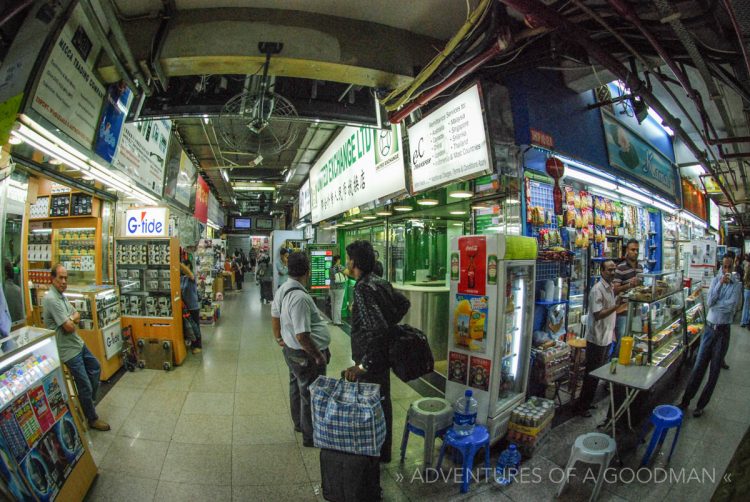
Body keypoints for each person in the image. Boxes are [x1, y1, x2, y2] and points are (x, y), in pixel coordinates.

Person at [343, 240, 410, 463]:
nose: (346, 262)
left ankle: (372, 452)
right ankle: (384, 452)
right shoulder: (380, 281)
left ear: (354, 261)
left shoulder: (362, 287)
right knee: (383, 403)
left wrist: (363, 365)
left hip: (370, 359)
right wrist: (390, 323)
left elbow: (376, 329)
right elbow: (403, 303)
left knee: (371, 407)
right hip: (382, 357)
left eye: (347, 258)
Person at [271, 252, 330, 447]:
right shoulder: (300, 298)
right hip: (305, 354)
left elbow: (275, 315)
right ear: (307, 272)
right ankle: (310, 436)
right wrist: (318, 356)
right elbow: (302, 335)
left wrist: (279, 337)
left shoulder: (283, 289)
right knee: (310, 393)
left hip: (292, 351)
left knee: (296, 387)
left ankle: (299, 424)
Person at [42, 264, 110, 431]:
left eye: (66, 278)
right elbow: (69, 326)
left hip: (77, 343)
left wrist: (71, 319)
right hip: (67, 350)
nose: (64, 281)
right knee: (85, 385)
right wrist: (72, 319)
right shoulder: (51, 298)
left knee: (95, 367)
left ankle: (86, 402)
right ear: (53, 279)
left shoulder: (62, 296)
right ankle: (92, 418)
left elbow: (78, 314)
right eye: (61, 278)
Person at [680, 254, 741, 416]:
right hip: (709, 329)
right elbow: (709, 302)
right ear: (721, 266)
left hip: (723, 331)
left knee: (714, 371)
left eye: (729, 267)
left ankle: (700, 405)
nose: (726, 270)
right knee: (698, 367)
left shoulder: (737, 285)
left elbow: (731, 307)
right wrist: (720, 286)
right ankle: (685, 401)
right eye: (724, 267)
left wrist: (717, 304)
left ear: (734, 266)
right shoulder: (716, 281)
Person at [577, 260, 626, 417]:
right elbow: (598, 314)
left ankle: (588, 402)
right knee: (591, 375)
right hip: (596, 339)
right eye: (609, 270)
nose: (612, 272)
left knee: (597, 373)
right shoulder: (597, 290)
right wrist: (616, 306)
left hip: (606, 337)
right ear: (602, 271)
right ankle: (581, 407)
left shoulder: (610, 288)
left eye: (614, 270)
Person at [612, 239, 642, 349]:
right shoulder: (620, 268)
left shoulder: (640, 267)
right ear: (627, 251)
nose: (635, 252)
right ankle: (615, 364)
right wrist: (629, 284)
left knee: (635, 342)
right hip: (623, 311)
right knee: (621, 343)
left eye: (637, 250)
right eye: (633, 249)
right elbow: (615, 290)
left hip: (637, 310)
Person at [180, 259, 203, 355]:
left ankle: (198, 346)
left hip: (193, 306)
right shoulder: (182, 278)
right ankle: (192, 342)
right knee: (189, 327)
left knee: (195, 326)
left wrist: (178, 264)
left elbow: (188, 273)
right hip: (185, 307)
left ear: (188, 266)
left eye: (185, 266)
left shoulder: (191, 277)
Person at [328, 255, 347, 326]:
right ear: (338, 260)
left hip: (332, 288)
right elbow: (347, 273)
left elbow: (330, 277)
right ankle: (337, 321)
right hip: (340, 288)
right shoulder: (340, 267)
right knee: (338, 304)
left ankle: (333, 320)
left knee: (333, 304)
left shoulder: (331, 268)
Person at [742, 256, 750, 328]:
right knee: (746, 305)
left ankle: (745, 321)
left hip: (747, 288)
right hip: (748, 288)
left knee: (746, 305)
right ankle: (744, 321)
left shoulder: (747, 265)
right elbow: (745, 277)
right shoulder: (748, 266)